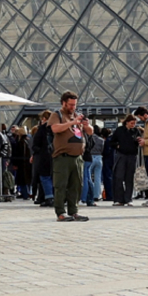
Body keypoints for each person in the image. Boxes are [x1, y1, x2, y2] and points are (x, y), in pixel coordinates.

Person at [48, 91, 91, 221]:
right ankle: (60, 212)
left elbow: (90, 132)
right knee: (61, 185)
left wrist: (86, 125)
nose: (73, 107)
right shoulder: (57, 115)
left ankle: (74, 211)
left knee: (76, 185)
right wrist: (72, 123)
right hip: (63, 157)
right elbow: (55, 129)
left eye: (75, 105)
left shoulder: (77, 116)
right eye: (70, 105)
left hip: (78, 157)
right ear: (63, 103)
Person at [108, 115, 141, 205]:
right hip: (121, 155)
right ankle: (118, 199)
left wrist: (138, 140)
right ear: (127, 122)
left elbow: (139, 140)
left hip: (132, 155)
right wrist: (117, 146)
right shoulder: (119, 130)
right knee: (118, 177)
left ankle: (128, 199)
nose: (133, 125)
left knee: (129, 178)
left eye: (134, 123)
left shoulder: (136, 131)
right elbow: (111, 141)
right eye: (131, 123)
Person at [82, 125, 104, 207]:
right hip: (98, 157)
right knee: (97, 178)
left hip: (90, 156)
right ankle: (96, 195)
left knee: (86, 178)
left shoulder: (85, 136)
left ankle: (84, 197)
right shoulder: (101, 140)